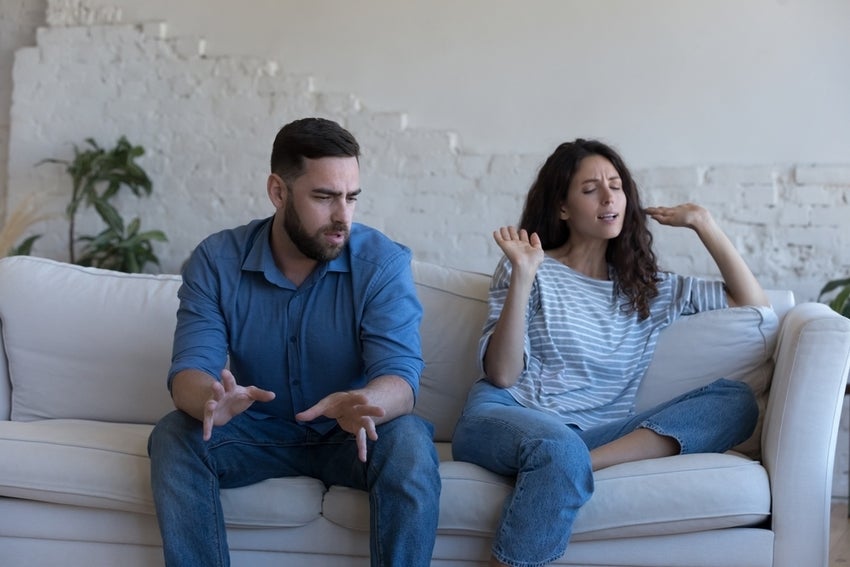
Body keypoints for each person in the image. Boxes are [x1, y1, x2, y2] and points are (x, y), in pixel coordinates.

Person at [451, 138, 767, 567]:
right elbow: (503, 375)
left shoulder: (647, 288)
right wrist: (524, 277)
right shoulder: (528, 263)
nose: (608, 197)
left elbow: (754, 307)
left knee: (736, 401)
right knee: (555, 447)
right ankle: (562, 461)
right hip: (507, 415)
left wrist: (703, 224)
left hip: (591, 435)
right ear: (563, 207)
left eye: (616, 185)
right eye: (590, 189)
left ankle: (571, 463)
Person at [148, 117, 441, 567]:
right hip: (256, 431)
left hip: (349, 435)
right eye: (324, 197)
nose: (343, 215)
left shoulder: (382, 263)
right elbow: (190, 367)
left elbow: (400, 375)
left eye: (351, 198)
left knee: (410, 442)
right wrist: (212, 400)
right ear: (278, 191)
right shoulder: (216, 260)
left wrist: (366, 400)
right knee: (175, 433)